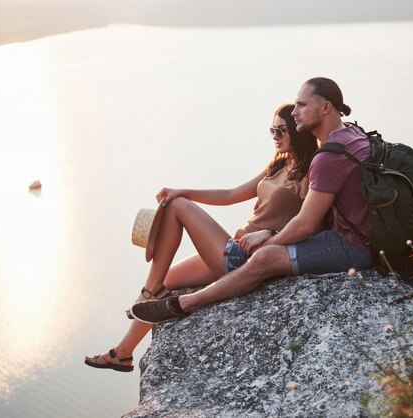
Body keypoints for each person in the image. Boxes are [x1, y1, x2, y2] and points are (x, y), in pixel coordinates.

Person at [85, 103, 319, 371]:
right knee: (169, 276)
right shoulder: (279, 165)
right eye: (272, 130)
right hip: (230, 248)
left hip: (245, 258)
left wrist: (271, 233)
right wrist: (185, 189)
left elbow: (312, 225)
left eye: (281, 131)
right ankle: (123, 352)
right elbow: (231, 195)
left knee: (177, 207)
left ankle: (149, 291)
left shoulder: (311, 173)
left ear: (299, 132)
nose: (275, 137)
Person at [130, 77, 374, 324]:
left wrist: (270, 238)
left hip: (352, 245)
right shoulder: (351, 133)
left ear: (325, 108)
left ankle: (185, 303)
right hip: (360, 234)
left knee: (263, 257)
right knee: (251, 256)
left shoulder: (325, 159)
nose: (295, 111)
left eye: (301, 105)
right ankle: (126, 345)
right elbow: (234, 194)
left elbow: (307, 224)